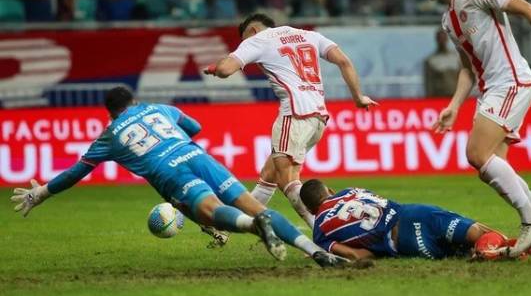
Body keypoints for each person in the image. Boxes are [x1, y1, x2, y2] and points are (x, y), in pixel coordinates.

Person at [10, 86, 347, 269]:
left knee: (211, 212)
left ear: (111, 113)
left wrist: (40, 193)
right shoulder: (159, 108)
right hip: (198, 156)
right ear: (134, 101)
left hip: (169, 172)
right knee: (251, 203)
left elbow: (76, 172)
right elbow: (195, 127)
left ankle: (253, 227)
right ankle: (317, 252)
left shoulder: (109, 135)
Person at [416, 0, 531, 258]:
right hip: (490, 91)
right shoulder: (448, 20)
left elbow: (529, 10)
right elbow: (466, 68)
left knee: (475, 153)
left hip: (512, 82)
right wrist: (454, 106)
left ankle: (530, 221)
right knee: (492, 170)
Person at [203, 13, 378, 228]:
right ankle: (234, 225)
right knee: (270, 174)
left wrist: (214, 68)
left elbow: (225, 69)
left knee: (288, 180)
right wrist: (358, 97)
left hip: (294, 114)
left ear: (254, 31)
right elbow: (343, 60)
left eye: (244, 40)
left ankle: (325, 232)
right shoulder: (309, 35)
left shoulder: (258, 40)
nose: (244, 46)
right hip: (318, 118)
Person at [299, 179, 531, 261]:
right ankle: (495, 253)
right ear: (330, 192)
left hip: (405, 245)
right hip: (414, 215)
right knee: (483, 234)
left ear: (312, 211)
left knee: (468, 250)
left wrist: (380, 248)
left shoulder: (321, 233)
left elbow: (359, 257)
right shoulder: (351, 191)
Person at [423, 29, 459, 97]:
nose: (442, 41)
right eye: (440, 38)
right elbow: (429, 83)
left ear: (447, 39)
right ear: (437, 40)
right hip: (439, 97)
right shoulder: (431, 60)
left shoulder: (456, 57)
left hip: (455, 95)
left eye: (443, 38)